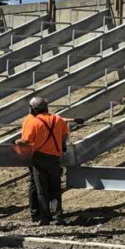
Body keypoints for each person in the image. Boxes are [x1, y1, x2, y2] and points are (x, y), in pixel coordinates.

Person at [16, 96, 76, 225]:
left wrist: (16, 142)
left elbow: (26, 141)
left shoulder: (33, 122)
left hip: (39, 158)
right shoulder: (58, 119)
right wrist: (60, 143)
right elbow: (64, 135)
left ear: (32, 109)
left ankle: (44, 217)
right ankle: (58, 216)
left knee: (41, 188)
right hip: (54, 158)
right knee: (55, 187)